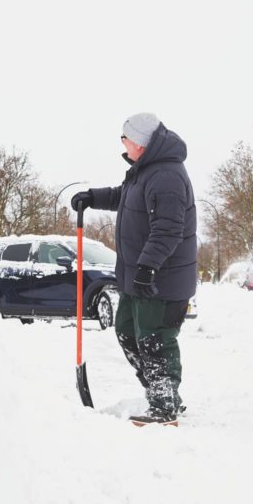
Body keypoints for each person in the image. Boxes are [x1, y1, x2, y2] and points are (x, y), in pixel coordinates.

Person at [71, 113, 197, 426]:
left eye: (125, 137)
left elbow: (168, 229)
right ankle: (159, 393)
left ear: (140, 142)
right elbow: (124, 198)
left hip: (160, 279)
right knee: (127, 332)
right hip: (138, 277)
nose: (123, 143)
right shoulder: (144, 172)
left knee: (154, 339)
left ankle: (165, 406)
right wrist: (93, 197)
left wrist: (148, 267)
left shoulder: (166, 176)